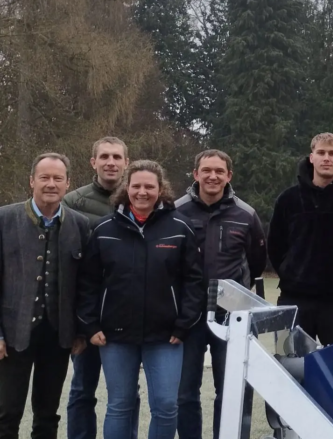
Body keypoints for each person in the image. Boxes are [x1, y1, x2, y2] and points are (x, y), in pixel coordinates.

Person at [76, 160, 205, 439]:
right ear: (127, 188)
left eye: (149, 186)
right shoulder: (104, 228)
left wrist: (184, 323)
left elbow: (194, 281)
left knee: (167, 406)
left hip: (166, 336)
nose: (142, 192)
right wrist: (90, 323)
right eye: (136, 186)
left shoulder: (181, 228)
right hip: (115, 335)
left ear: (161, 190)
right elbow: (88, 282)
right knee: (120, 405)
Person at [174, 150, 267, 439]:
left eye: (219, 171)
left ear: (229, 176)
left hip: (231, 317)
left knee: (229, 390)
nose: (212, 176)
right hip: (187, 316)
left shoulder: (246, 214)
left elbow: (256, 261)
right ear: (195, 174)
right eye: (206, 170)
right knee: (184, 391)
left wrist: (235, 296)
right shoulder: (176, 211)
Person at [0, 153, 90, 439]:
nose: (51, 184)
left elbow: (85, 284)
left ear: (67, 184)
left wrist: (80, 329)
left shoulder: (80, 224)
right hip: (13, 334)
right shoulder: (4, 219)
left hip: (58, 334)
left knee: (48, 415)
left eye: (57, 178)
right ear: (31, 181)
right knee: (6, 413)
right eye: (44, 177)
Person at [63, 136, 139, 439]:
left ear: (126, 163)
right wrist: (79, 322)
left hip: (126, 317)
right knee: (83, 389)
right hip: (87, 316)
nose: (111, 162)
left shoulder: (140, 200)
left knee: (127, 392)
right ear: (93, 162)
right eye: (104, 156)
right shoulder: (73, 203)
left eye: (117, 157)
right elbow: (68, 269)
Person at [267, 132, 333, 345]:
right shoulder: (288, 200)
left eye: (332, 153)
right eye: (321, 152)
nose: (326, 158)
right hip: (295, 298)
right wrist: (290, 272)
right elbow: (275, 245)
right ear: (311, 157)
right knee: (292, 369)